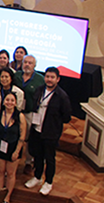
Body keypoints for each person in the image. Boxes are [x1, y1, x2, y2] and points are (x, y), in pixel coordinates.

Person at [24, 67, 71, 196]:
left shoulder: (62, 96)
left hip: (50, 133)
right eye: (47, 77)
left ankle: (48, 182)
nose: (49, 80)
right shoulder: (39, 90)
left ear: (58, 79)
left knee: (49, 158)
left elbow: (66, 117)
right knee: (37, 155)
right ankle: (37, 177)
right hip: (36, 129)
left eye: (52, 77)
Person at [0, 92, 27, 203]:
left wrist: (17, 151)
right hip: (0, 146)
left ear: (15, 103)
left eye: (12, 100)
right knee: (0, 172)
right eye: (7, 100)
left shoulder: (20, 117)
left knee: (10, 173)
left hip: (14, 147)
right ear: (4, 102)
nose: (9, 102)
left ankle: (7, 197)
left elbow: (22, 136)